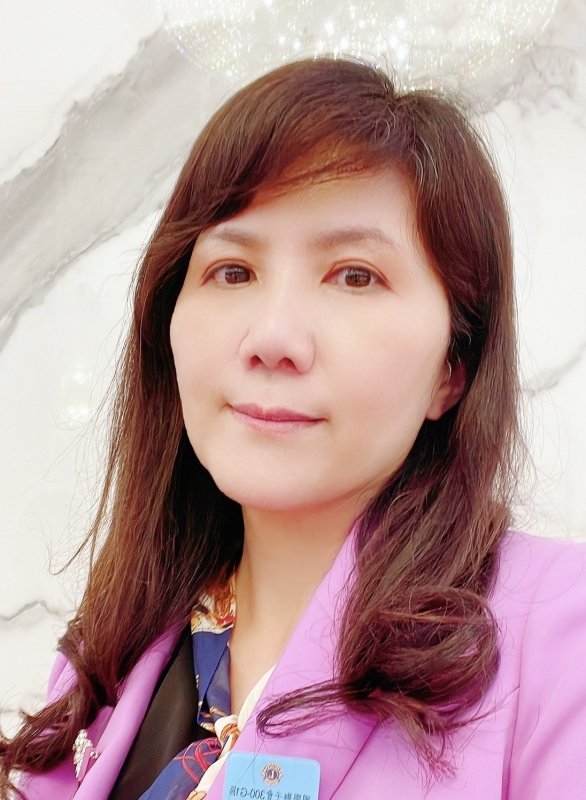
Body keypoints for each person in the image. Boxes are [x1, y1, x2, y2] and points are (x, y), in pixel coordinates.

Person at [1, 55, 585, 800]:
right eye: (233, 271)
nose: (272, 337)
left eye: (355, 275)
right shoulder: (109, 655)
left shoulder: (560, 633)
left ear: (453, 367)